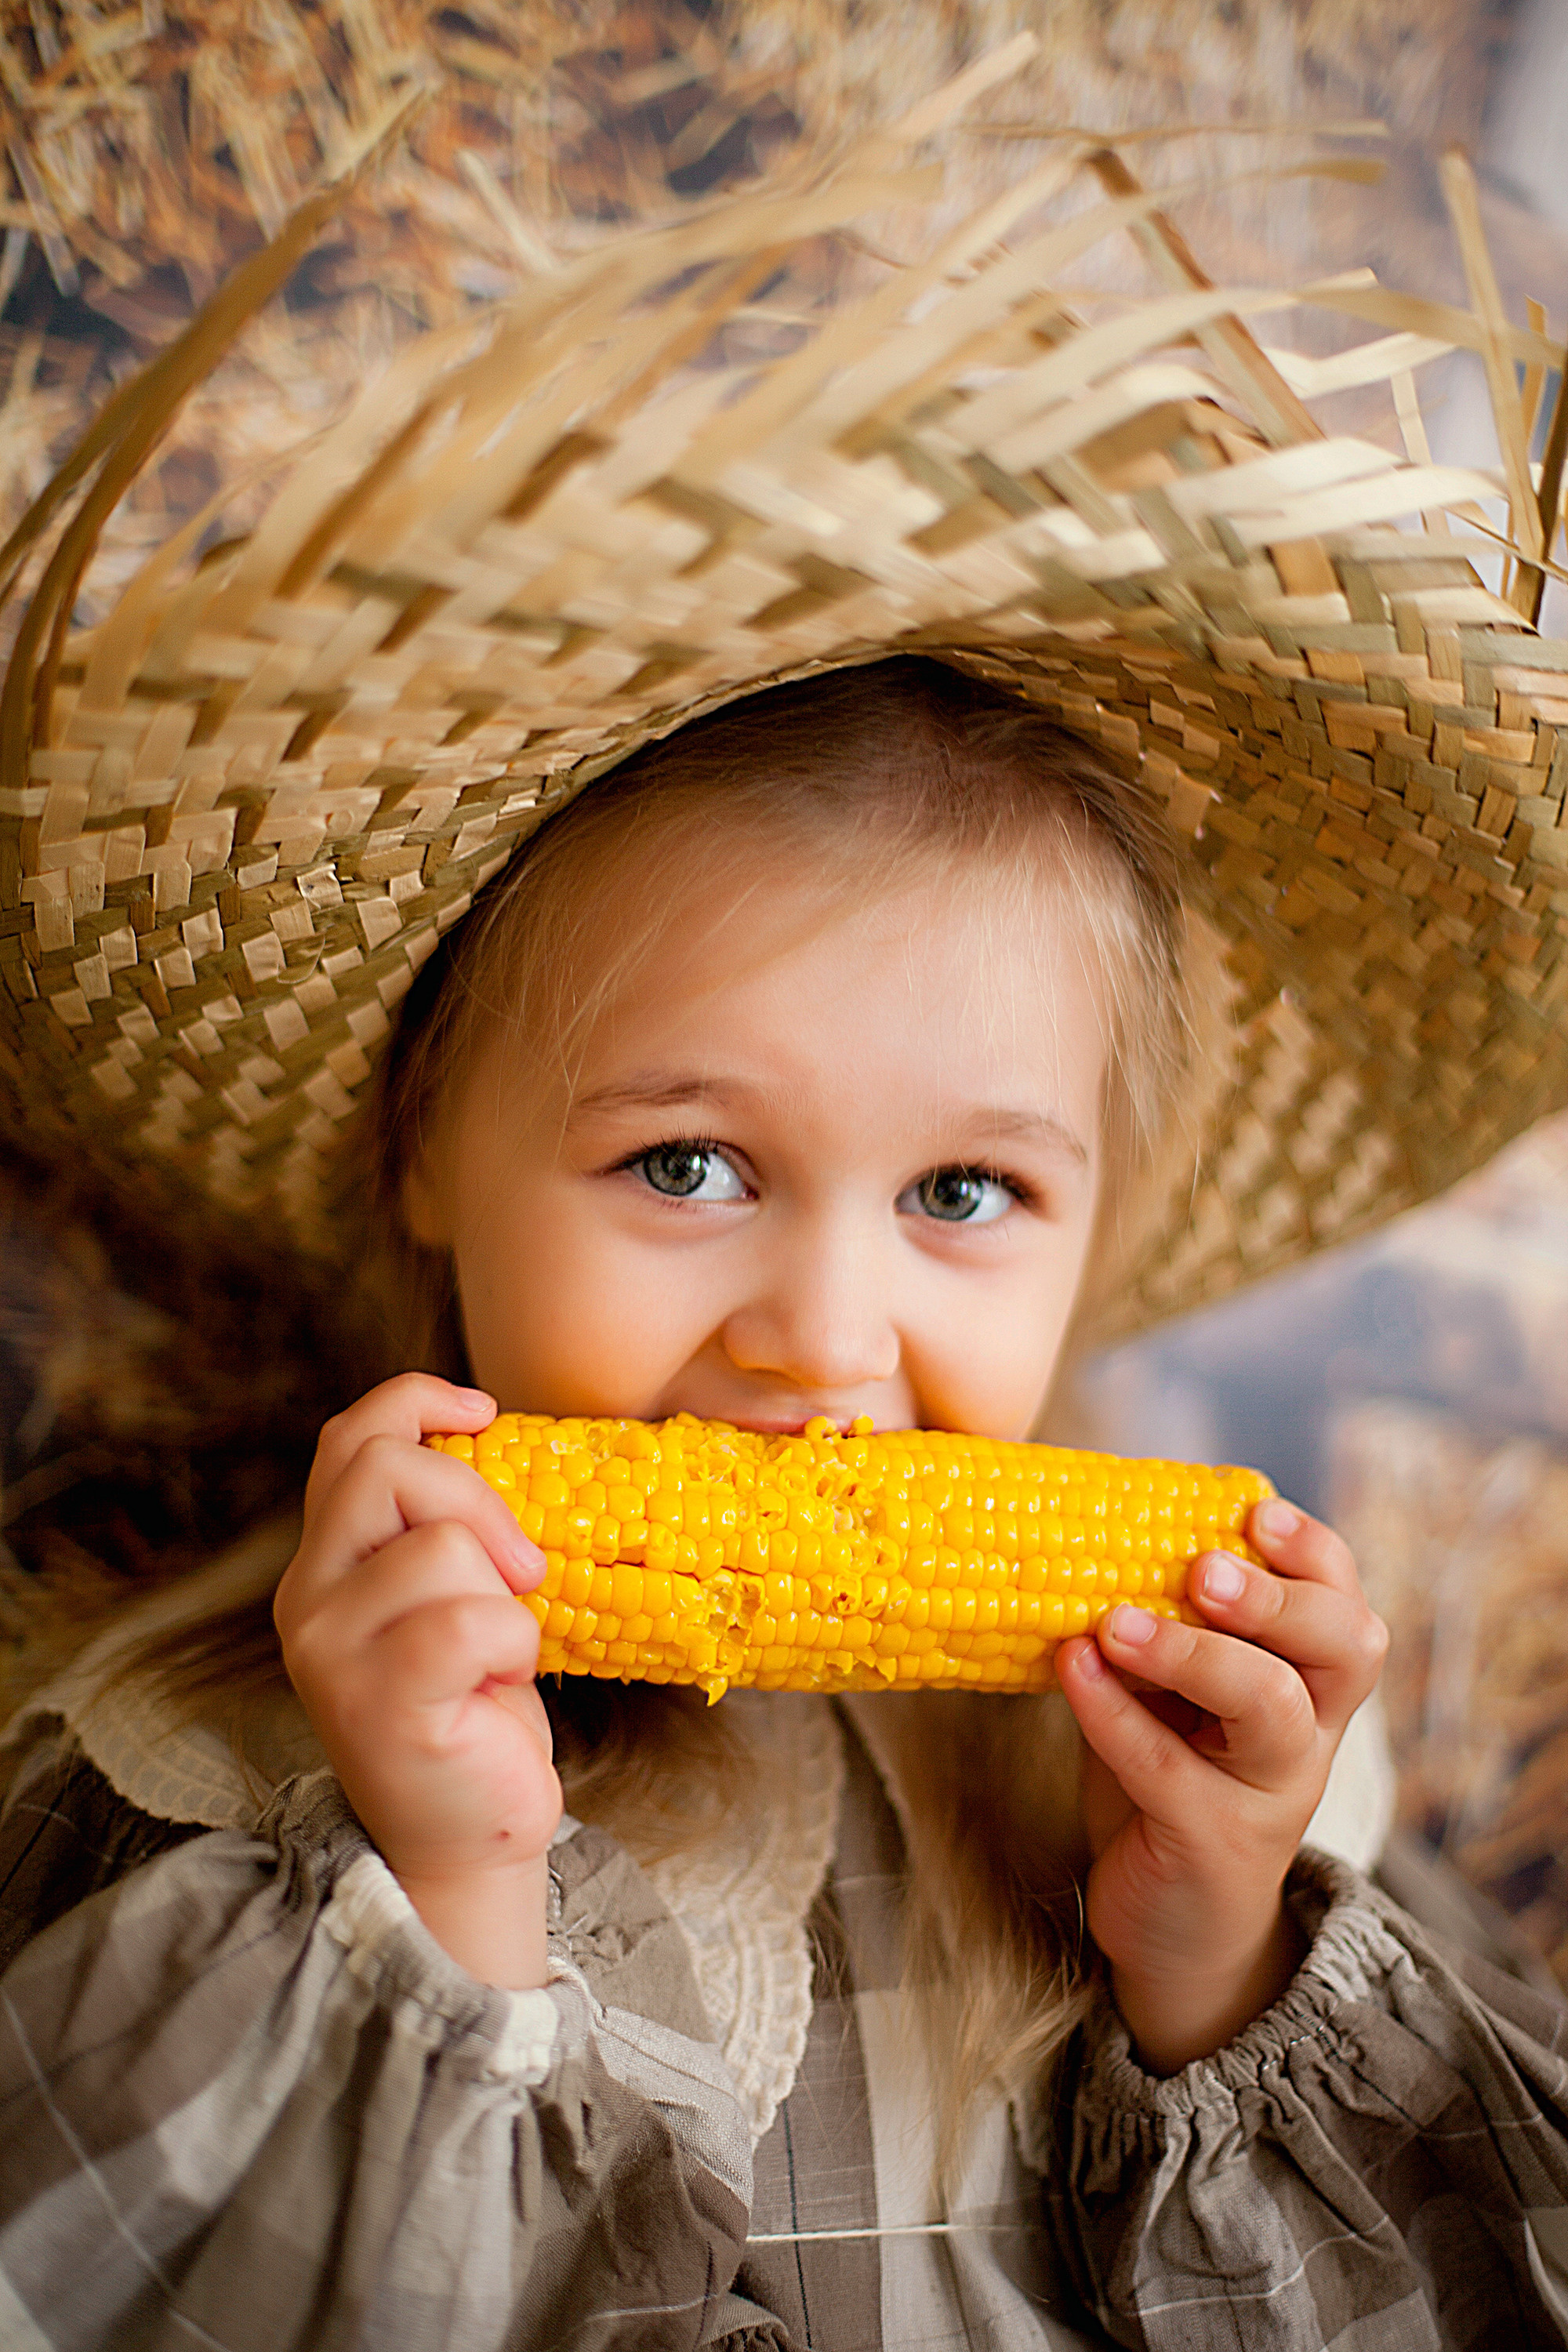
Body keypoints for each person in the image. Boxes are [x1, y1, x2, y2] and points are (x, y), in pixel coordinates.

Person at [4, 104, 1568, 2352]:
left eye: (963, 1192)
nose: (823, 1334)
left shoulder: (1228, 1799)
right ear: (429, 1145)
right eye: (688, 1166)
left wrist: (1220, 1958)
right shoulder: (202, 1776)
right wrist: (444, 1910)